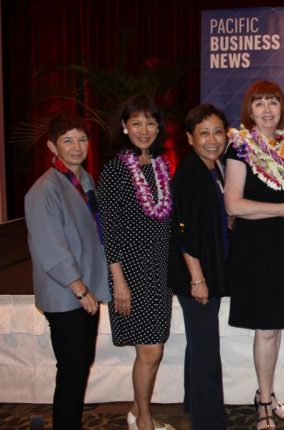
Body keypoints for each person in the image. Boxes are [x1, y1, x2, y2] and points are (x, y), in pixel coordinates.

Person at [225, 80, 284, 430]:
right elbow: (233, 203)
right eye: (259, 103)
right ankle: (263, 402)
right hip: (256, 248)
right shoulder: (241, 148)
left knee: (276, 325)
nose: (267, 109)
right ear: (250, 110)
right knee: (267, 327)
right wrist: (280, 210)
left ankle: (269, 393)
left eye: (273, 102)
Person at [24, 113, 110, 430]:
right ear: (52, 145)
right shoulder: (44, 189)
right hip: (67, 295)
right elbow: (51, 246)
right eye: (67, 141)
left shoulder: (84, 181)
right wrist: (80, 288)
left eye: (82, 139)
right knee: (72, 368)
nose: (76, 147)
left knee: (79, 366)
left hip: (84, 291)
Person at [98, 94, 174, 430]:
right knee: (151, 351)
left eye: (151, 123)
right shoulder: (116, 170)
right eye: (137, 123)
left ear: (159, 127)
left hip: (159, 271)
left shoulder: (159, 166)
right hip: (131, 272)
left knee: (153, 349)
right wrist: (119, 282)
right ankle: (143, 420)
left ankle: (135, 410)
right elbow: (109, 230)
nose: (145, 130)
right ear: (125, 127)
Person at [168, 104, 230, 429]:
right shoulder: (190, 173)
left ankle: (195, 403)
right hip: (195, 276)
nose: (211, 139)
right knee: (207, 349)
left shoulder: (214, 168)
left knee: (199, 343)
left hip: (207, 270)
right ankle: (209, 422)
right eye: (203, 133)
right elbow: (182, 229)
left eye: (217, 132)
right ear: (190, 138)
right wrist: (197, 278)